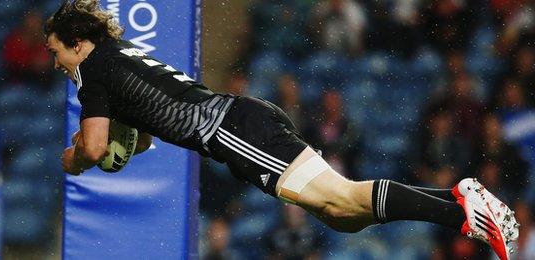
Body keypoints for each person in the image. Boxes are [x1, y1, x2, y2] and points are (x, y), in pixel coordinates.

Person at [45, 1, 519, 259]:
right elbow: (141, 136)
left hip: (233, 132)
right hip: (243, 120)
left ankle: (464, 212)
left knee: (343, 200)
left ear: (78, 42)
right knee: (342, 215)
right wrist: (117, 145)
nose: (57, 62)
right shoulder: (117, 57)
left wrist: (76, 160)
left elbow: (94, 146)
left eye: (57, 52)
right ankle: (458, 200)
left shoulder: (93, 71)